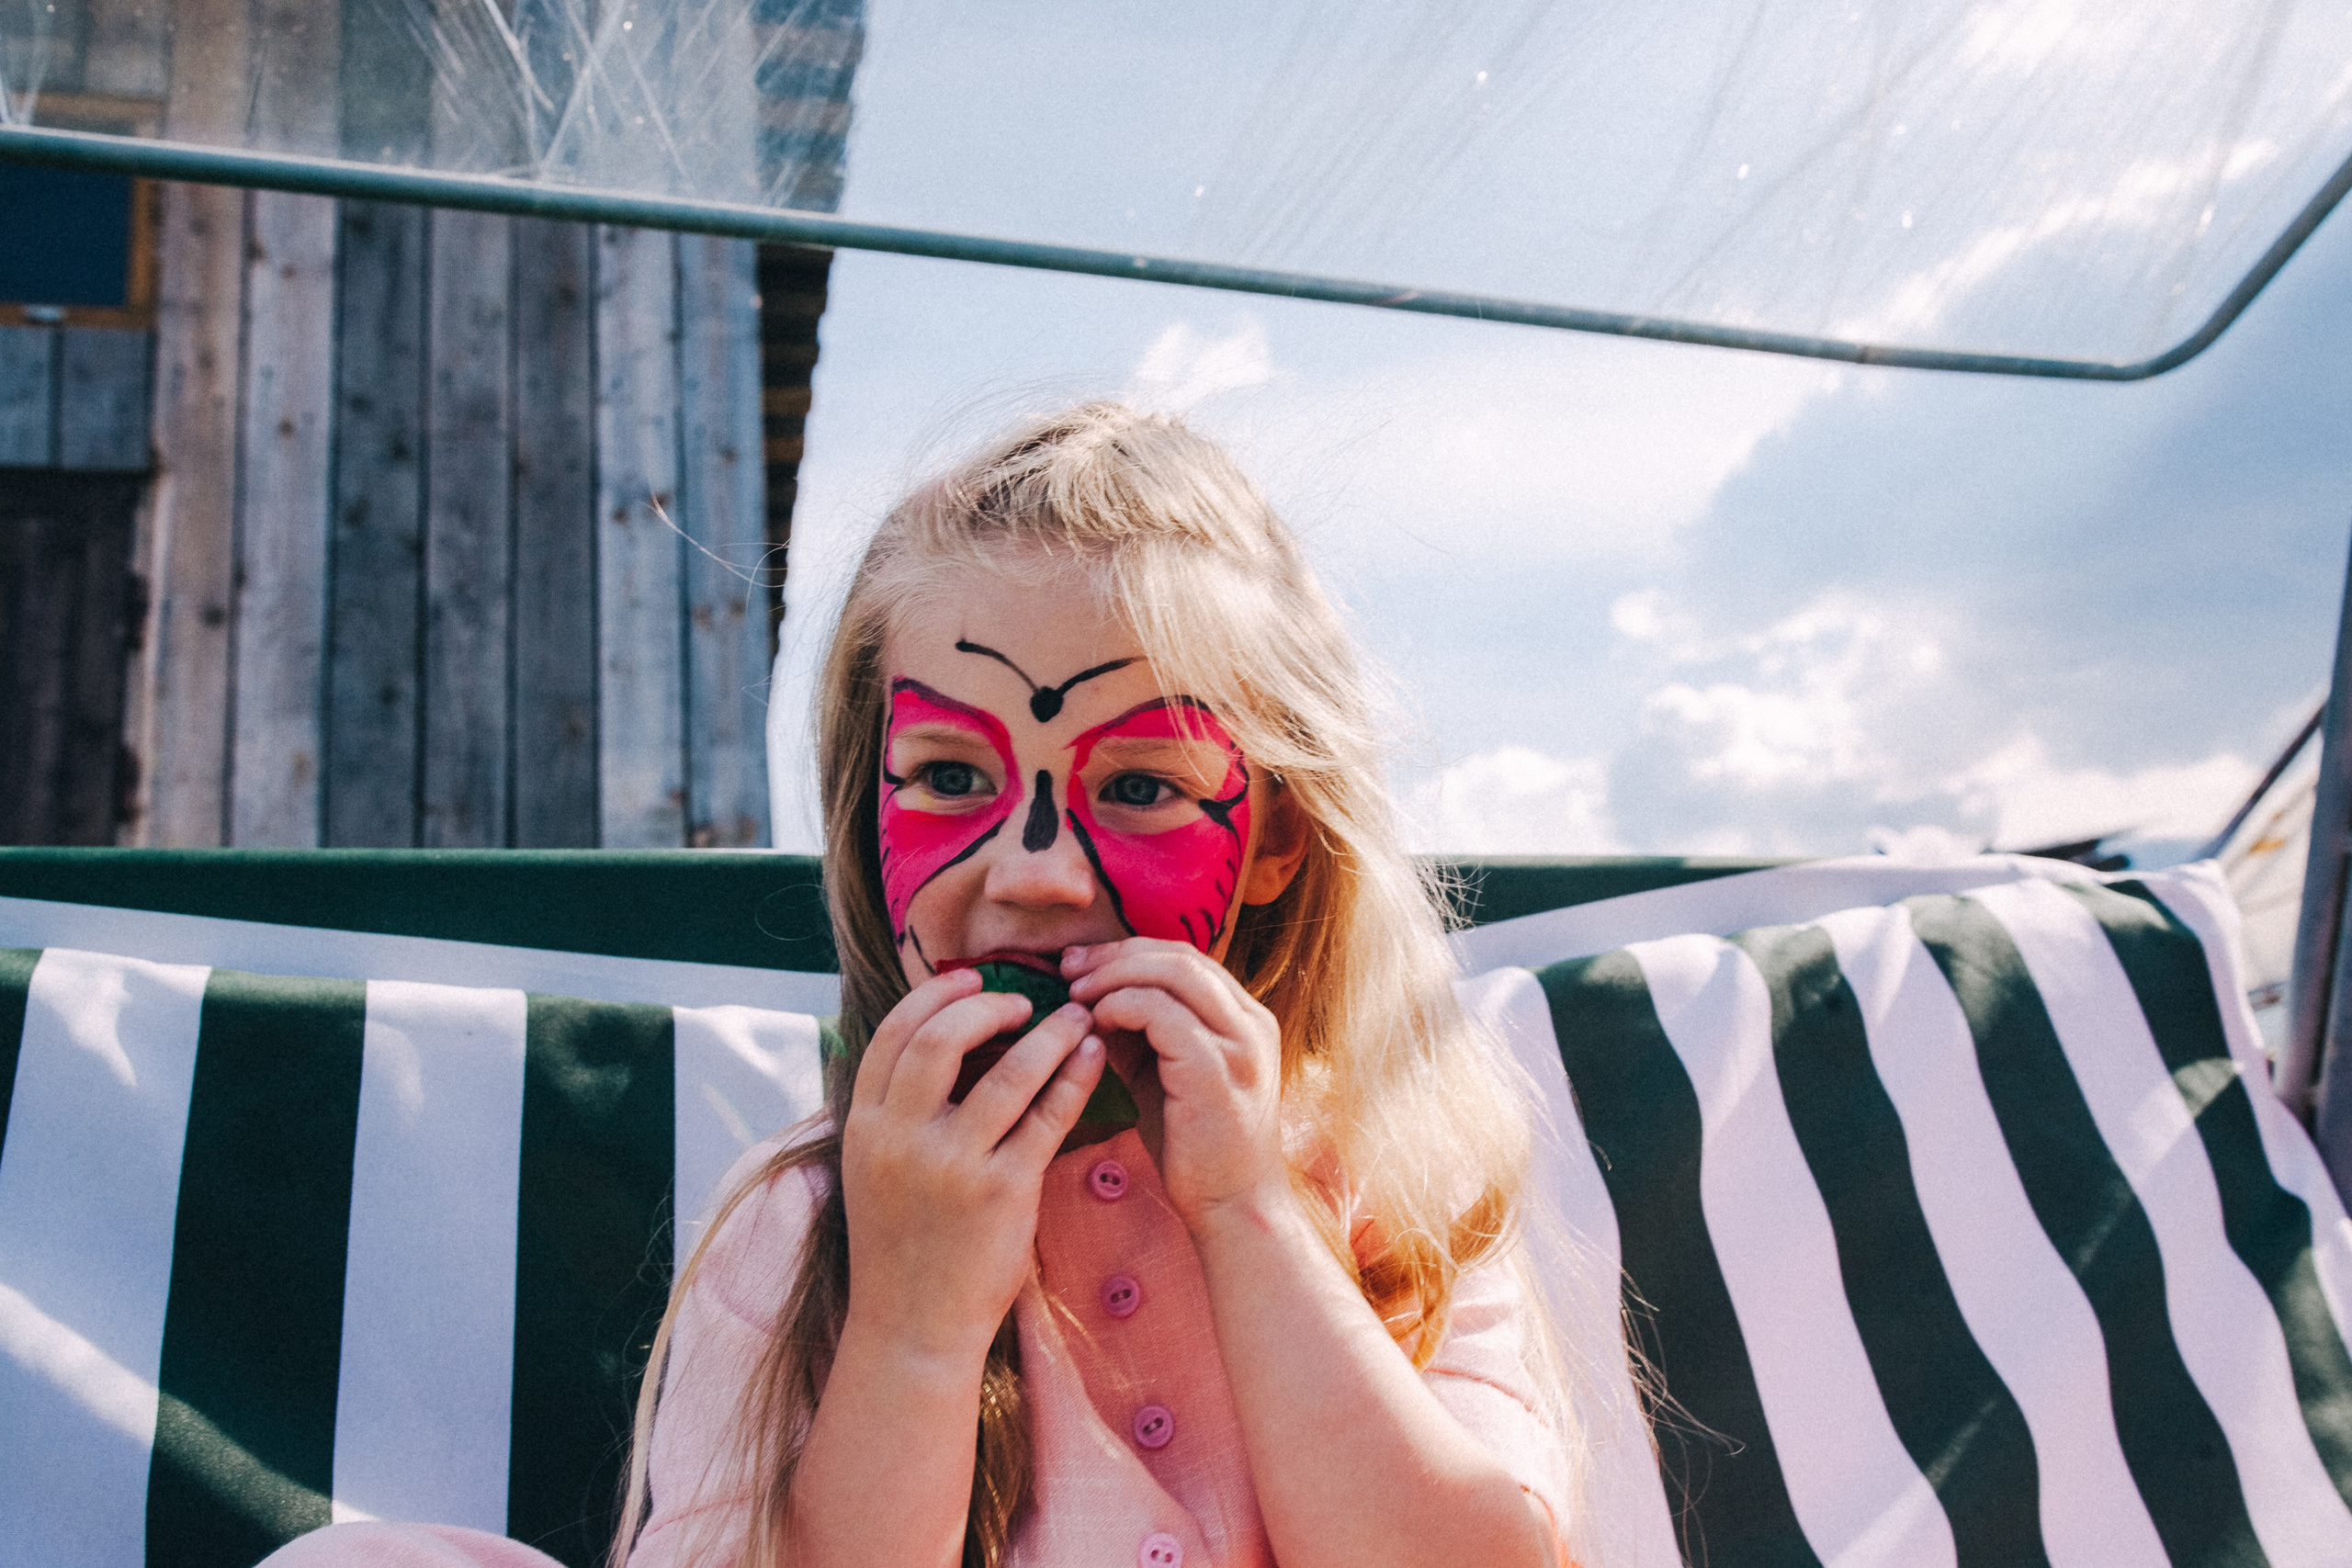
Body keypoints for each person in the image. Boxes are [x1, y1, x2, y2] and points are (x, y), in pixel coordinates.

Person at [265, 402, 1586, 1568]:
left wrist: (1250, 1218)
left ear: (1281, 841)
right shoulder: (810, 1228)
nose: (1039, 870)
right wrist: (911, 1317)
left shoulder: (1397, 1188)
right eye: (953, 777)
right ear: (867, 812)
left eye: (1139, 787)